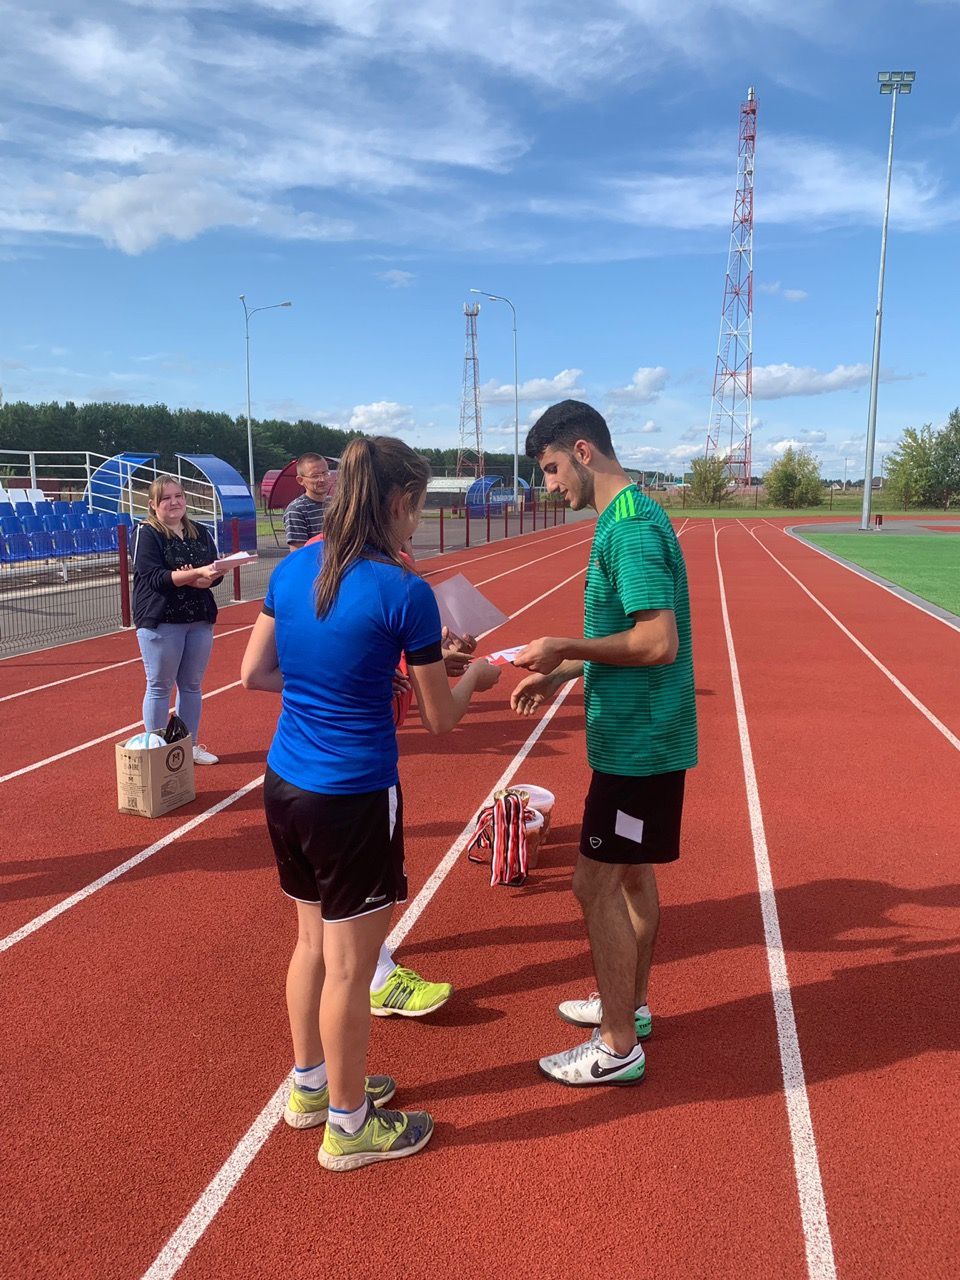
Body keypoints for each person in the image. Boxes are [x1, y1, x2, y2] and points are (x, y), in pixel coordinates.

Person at [241, 436, 501, 1171]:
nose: (417, 521)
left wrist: (357, 681)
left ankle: (312, 1089)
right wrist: (477, 676)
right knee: (353, 971)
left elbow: (255, 672)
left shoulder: (293, 569)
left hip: (285, 784)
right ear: (398, 501)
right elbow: (441, 717)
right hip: (352, 797)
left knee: (310, 948)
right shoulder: (402, 590)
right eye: (417, 507)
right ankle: (351, 1127)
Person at [510, 400, 697, 1087]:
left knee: (592, 886)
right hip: (640, 736)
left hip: (638, 744)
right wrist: (561, 668)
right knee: (631, 874)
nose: (550, 486)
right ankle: (632, 1006)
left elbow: (656, 641)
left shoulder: (629, 530)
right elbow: (626, 638)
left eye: (553, 469)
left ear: (583, 452)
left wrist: (567, 644)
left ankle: (618, 1045)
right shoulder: (631, 517)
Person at [132, 474, 224, 766]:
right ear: (153, 505)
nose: (174, 503)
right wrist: (195, 575)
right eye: (166, 498)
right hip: (162, 620)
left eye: (178, 496)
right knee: (159, 686)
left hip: (199, 617)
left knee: (192, 685)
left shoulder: (200, 531)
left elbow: (213, 572)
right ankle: (156, 750)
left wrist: (205, 579)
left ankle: (189, 746)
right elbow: (154, 578)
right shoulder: (147, 533)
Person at [283, 453, 333, 549]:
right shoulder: (296, 510)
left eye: (325, 473)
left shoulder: (336, 504)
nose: (322, 479)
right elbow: (300, 555)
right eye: (315, 476)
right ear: (300, 480)